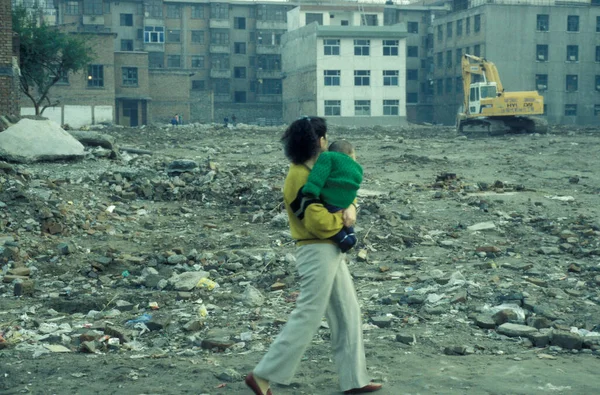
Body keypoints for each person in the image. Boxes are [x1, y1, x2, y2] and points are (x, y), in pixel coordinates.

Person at [245, 116, 382, 395]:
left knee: (347, 312)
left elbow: (342, 191)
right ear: (319, 141)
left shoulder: (318, 167)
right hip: (315, 249)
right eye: (325, 137)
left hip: (330, 248)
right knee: (309, 313)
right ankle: (261, 376)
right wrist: (345, 220)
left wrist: (351, 206)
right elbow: (316, 222)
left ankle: (354, 380)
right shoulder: (297, 176)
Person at [301, 139, 362, 253]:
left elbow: (318, 176)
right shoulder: (355, 167)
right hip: (345, 202)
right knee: (347, 224)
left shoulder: (327, 157)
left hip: (330, 202)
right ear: (351, 154)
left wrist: (311, 190)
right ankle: (351, 235)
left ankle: (344, 239)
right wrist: (351, 203)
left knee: (336, 221)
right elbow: (356, 183)